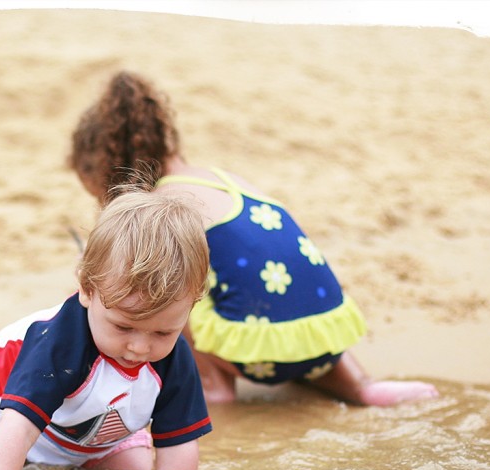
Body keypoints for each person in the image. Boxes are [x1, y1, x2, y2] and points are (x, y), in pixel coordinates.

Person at [69, 71, 439, 406]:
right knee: (273, 294)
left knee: (162, 290)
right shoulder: (222, 179)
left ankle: (212, 387)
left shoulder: (164, 207)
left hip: (261, 358)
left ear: (106, 167)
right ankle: (361, 387)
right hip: (325, 340)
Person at [0, 189, 213, 470]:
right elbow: (19, 428)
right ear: (86, 289)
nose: (139, 347)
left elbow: (178, 449)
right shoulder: (59, 342)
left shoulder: (175, 360)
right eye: (124, 326)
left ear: (191, 306)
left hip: (88, 432)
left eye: (162, 333)